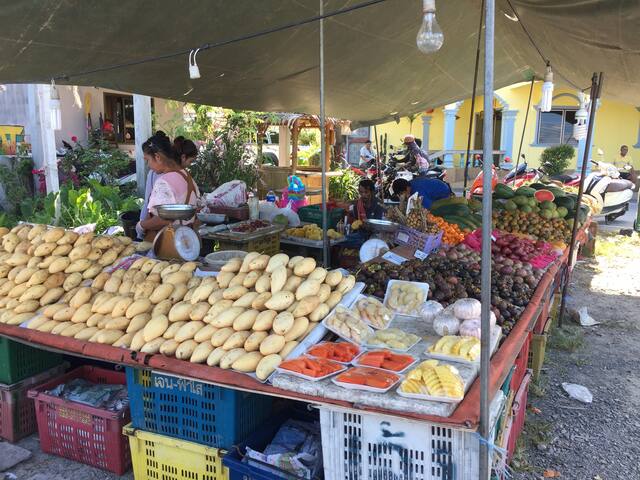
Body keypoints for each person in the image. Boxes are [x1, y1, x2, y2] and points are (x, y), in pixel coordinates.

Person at [136, 132, 200, 241]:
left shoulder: (164, 182)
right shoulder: (187, 176)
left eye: (147, 160)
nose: (148, 165)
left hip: (170, 243)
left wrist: (141, 225)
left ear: (157, 157)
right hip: (188, 241)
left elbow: (163, 220)